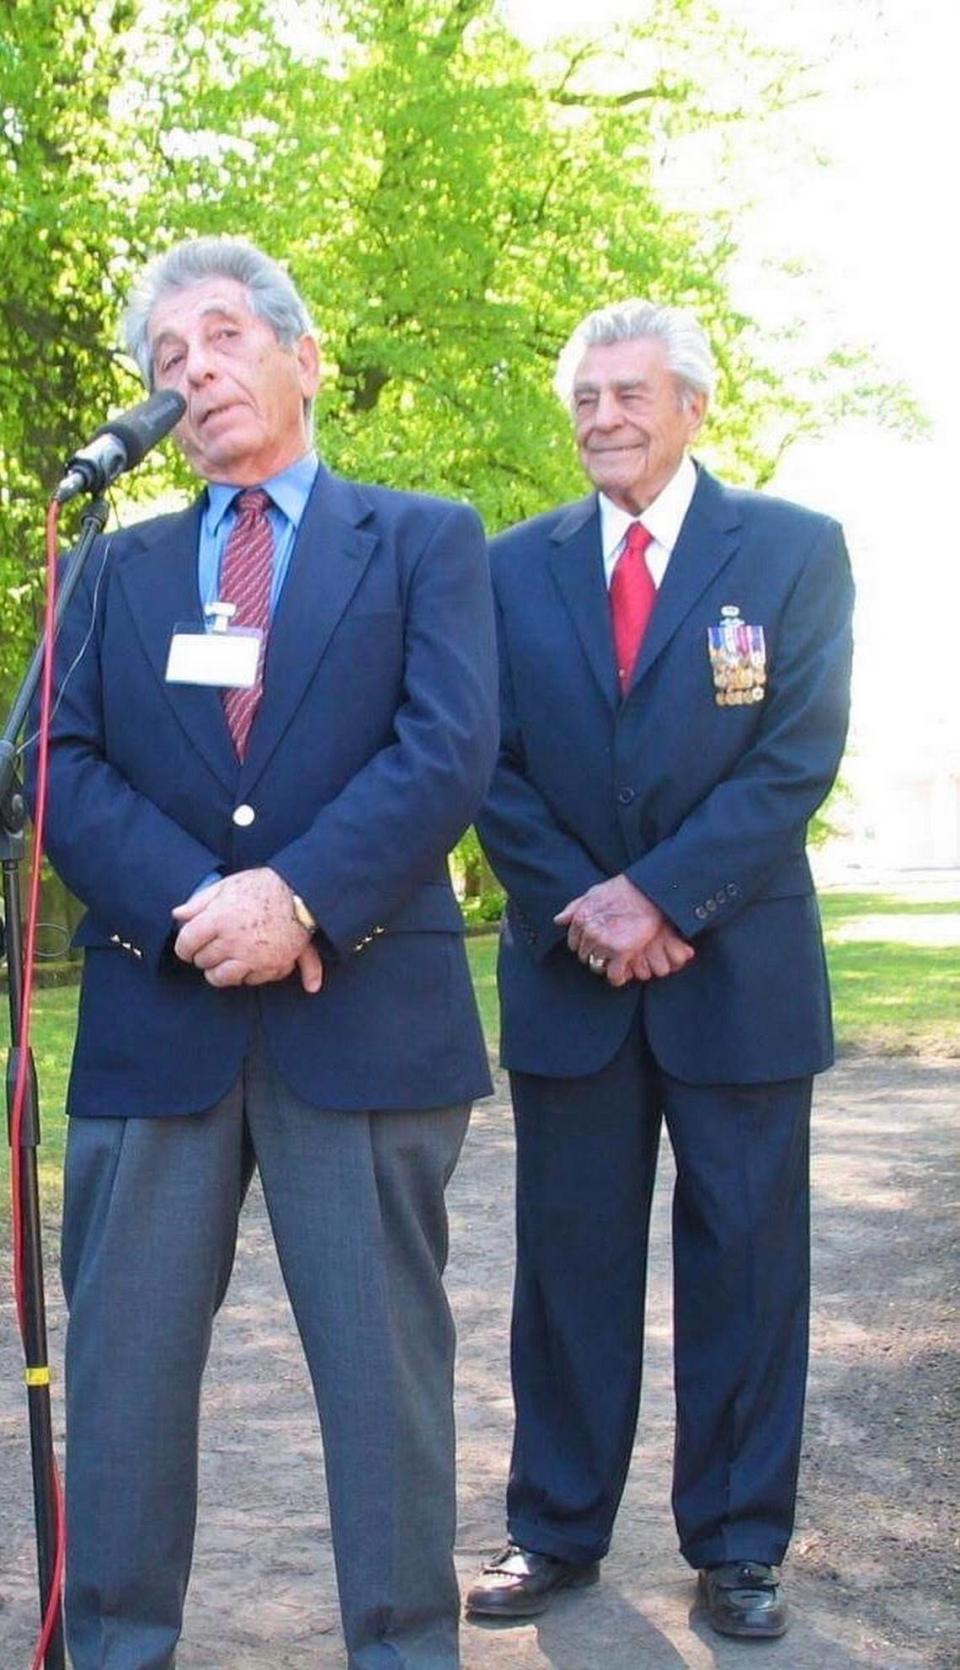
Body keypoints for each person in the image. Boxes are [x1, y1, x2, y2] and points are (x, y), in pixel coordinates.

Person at [33, 235, 498, 1670]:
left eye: (222, 338)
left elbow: (449, 747)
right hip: (156, 1027)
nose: (195, 373)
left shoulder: (423, 538)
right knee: (118, 1385)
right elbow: (56, 758)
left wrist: (295, 897)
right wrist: (202, 903)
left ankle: (407, 1649)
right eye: (166, 363)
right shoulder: (112, 567)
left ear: (300, 354)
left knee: (384, 1388)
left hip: (361, 1021)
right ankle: (113, 1645)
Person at [465, 299, 853, 1639]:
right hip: (572, 976)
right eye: (585, 398)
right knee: (567, 1269)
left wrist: (663, 897)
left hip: (737, 972)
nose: (603, 418)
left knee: (748, 1265)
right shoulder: (509, 568)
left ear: (694, 404)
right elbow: (484, 760)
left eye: (630, 394)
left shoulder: (794, 552)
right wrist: (591, 904)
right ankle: (555, 1528)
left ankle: (740, 1544)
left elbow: (796, 755)